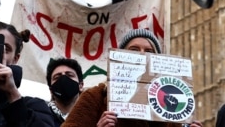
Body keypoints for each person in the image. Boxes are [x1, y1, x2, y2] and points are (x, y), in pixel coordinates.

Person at [62, 28, 204, 127]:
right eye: (134, 50)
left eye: (149, 51)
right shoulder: (96, 96)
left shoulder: (169, 105)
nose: (142, 54)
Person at [46, 57, 85, 125]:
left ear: (80, 86)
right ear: (51, 90)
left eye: (69, 75)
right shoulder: (40, 116)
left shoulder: (94, 115)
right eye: (57, 77)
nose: (63, 79)